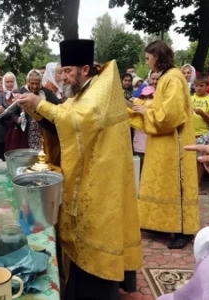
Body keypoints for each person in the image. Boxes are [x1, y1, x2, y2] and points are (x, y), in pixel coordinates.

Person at [18, 39, 142, 300]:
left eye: (67, 71)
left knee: (95, 235)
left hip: (101, 181)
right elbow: (62, 118)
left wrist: (40, 104)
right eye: (62, 71)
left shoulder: (99, 90)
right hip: (88, 174)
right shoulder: (84, 90)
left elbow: (76, 120)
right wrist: (35, 110)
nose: (62, 77)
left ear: (85, 69)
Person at [128, 40, 199, 249]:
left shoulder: (174, 78)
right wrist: (140, 105)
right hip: (163, 143)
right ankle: (159, 222)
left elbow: (171, 115)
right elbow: (161, 105)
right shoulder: (169, 77)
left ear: (157, 57)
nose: (147, 62)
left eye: (148, 58)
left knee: (175, 185)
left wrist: (146, 111)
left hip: (175, 145)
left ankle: (184, 231)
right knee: (161, 183)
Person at [191, 73, 209, 194]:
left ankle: (197, 186)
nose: (198, 88)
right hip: (189, 134)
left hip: (203, 135)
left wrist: (202, 113)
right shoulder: (190, 98)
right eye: (196, 86)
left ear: (207, 86)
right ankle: (187, 186)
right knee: (187, 160)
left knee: (200, 161)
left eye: (201, 85)